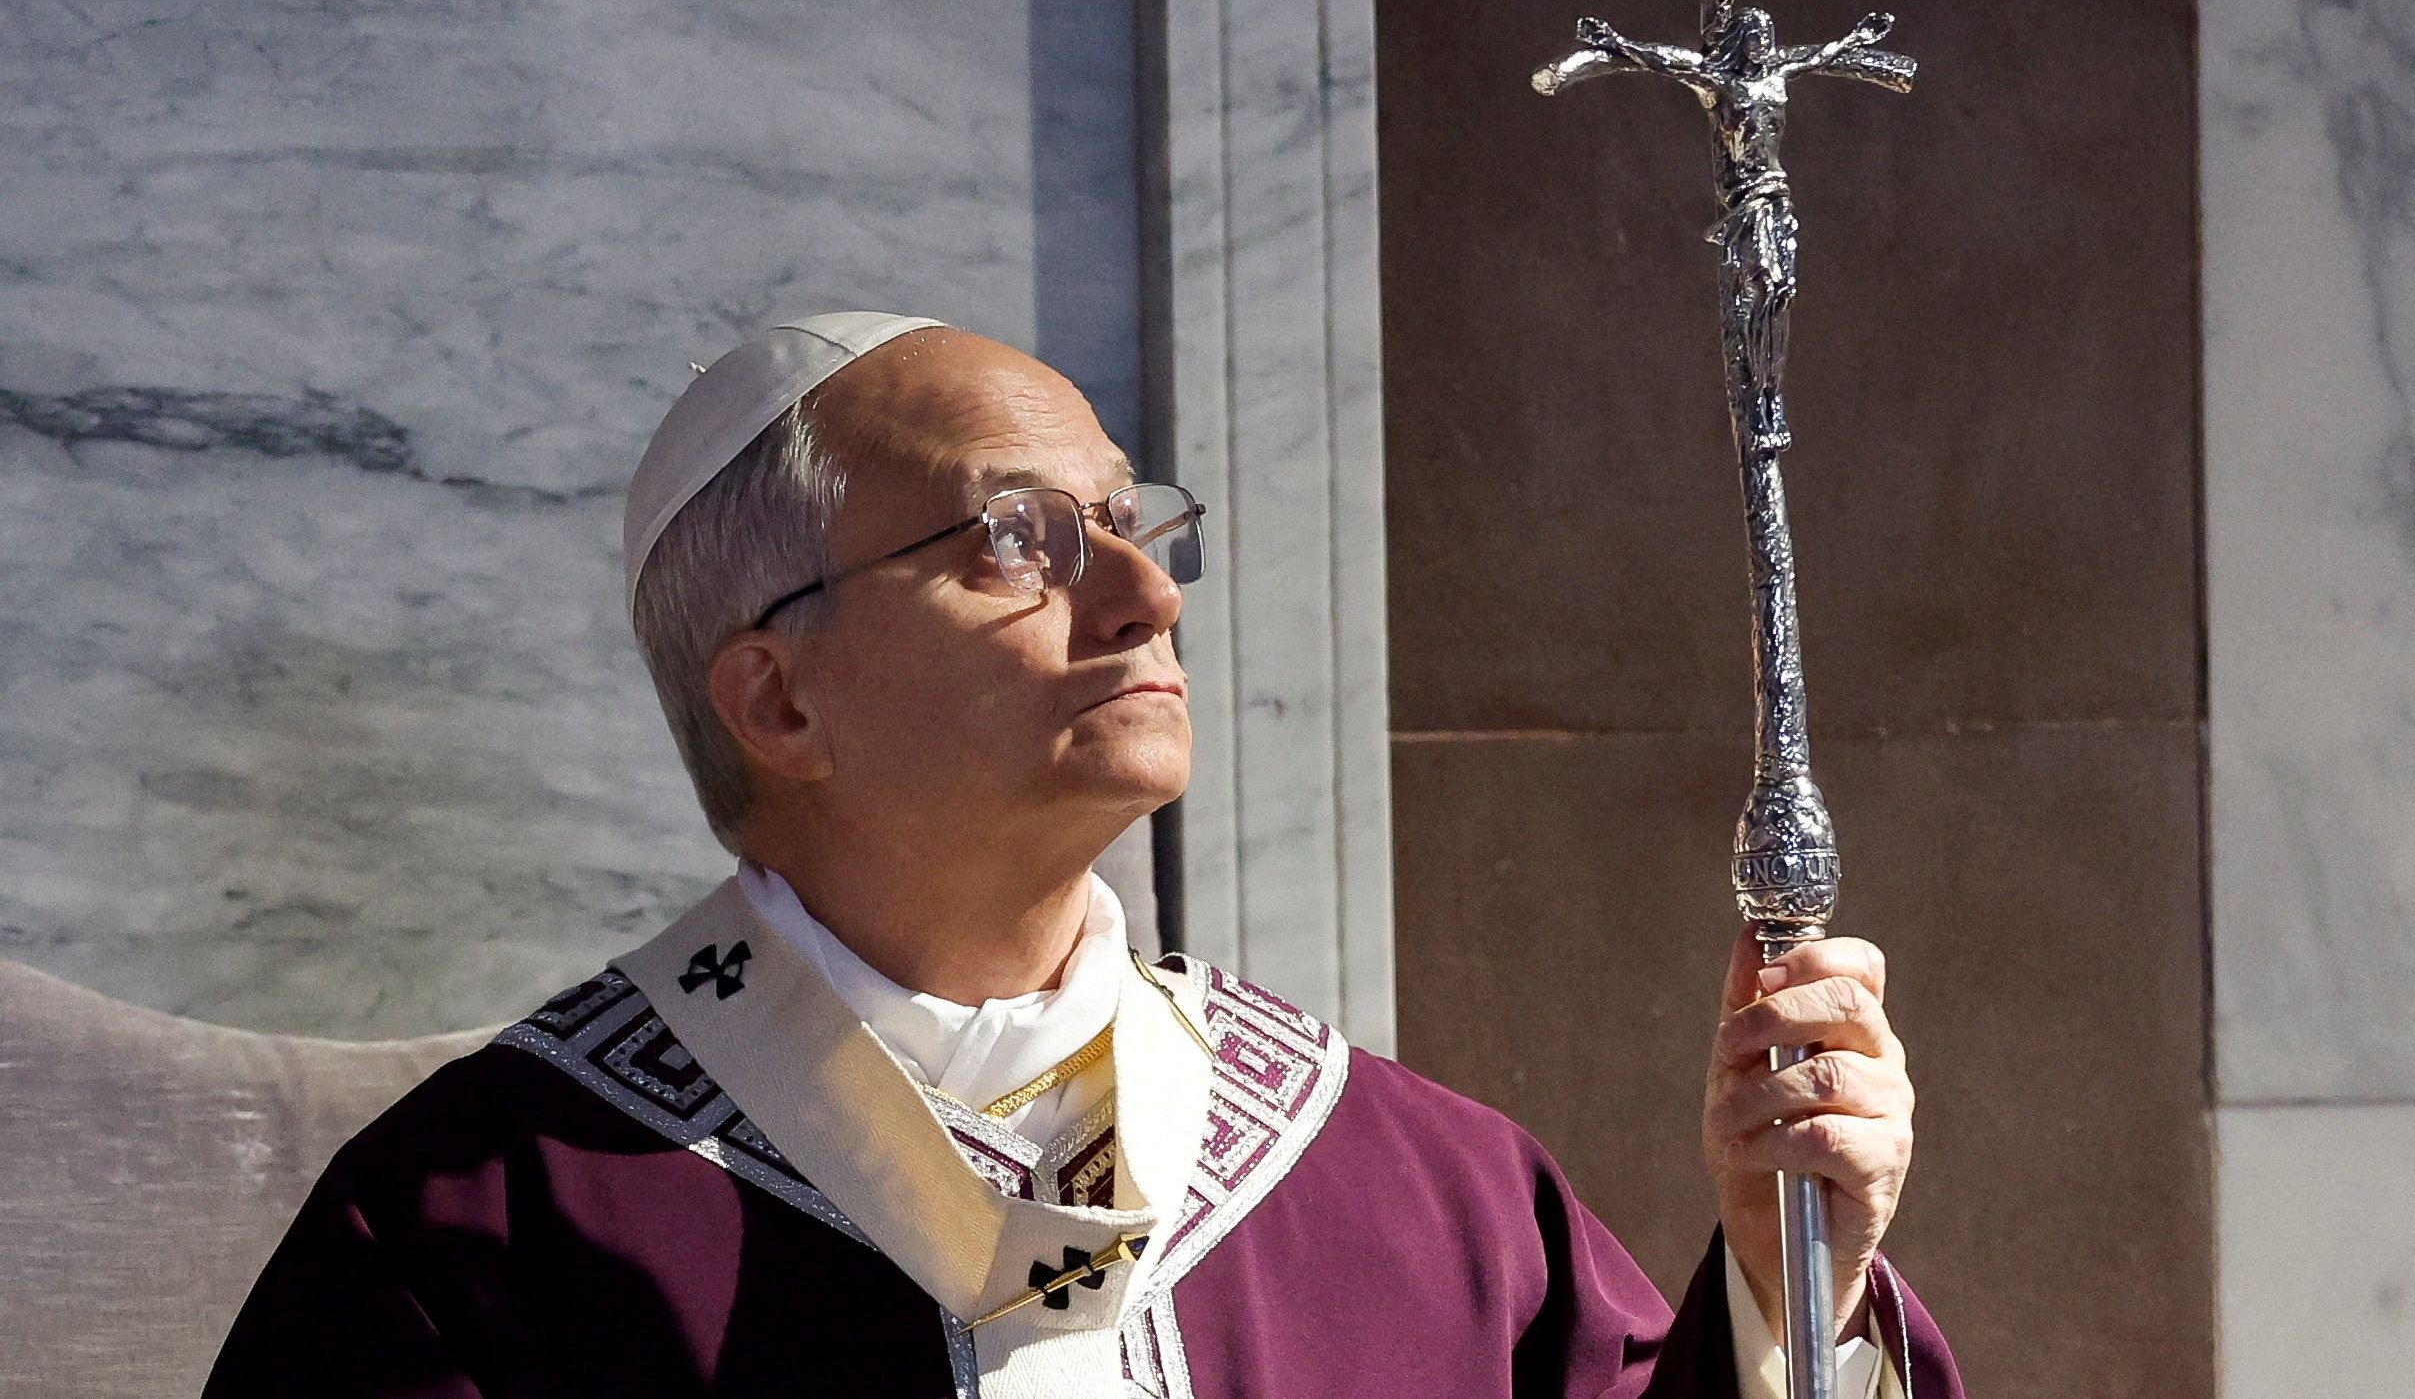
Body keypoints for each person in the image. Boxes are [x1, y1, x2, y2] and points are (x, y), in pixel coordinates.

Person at [204, 312, 1959, 1398]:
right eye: (1020, 541)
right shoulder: (476, 1234)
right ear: (779, 694)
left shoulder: (1406, 1187)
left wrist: (1785, 1288)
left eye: (1136, 524)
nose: (1144, 596)